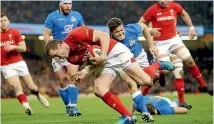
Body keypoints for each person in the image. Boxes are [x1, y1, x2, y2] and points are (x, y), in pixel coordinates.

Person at [45, 26, 173, 123]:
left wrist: (103, 56)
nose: (58, 58)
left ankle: (157, 64)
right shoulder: (71, 59)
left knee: (146, 82)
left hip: (115, 51)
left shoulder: (76, 34)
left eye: (56, 54)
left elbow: (104, 37)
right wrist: (84, 72)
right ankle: (128, 116)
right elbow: (94, 63)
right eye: (55, 57)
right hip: (105, 62)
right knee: (99, 89)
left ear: (61, 45)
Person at [139, 0, 213, 108]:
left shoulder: (174, 5)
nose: (163, 1)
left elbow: (184, 14)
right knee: (164, 69)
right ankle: (144, 92)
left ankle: (202, 86)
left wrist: (191, 28)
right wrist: (150, 30)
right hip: (160, 43)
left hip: (174, 40)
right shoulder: (151, 10)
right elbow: (139, 23)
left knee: (188, 63)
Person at [0, 14, 49, 115]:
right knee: (17, 87)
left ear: (8, 21)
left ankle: (38, 95)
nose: (3, 22)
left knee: (31, 86)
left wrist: (13, 47)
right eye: (1, 21)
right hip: (5, 66)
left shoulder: (15, 33)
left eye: (5, 20)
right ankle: (27, 107)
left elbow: (23, 48)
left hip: (19, 63)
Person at [43, 0, 84, 116]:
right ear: (60, 4)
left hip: (72, 52)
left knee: (73, 78)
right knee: (62, 81)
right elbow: (46, 33)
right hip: (57, 53)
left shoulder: (77, 16)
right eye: (66, 4)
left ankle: (74, 107)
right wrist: (52, 47)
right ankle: (68, 107)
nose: (68, 6)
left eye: (70, 4)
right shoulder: (52, 17)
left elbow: (83, 30)